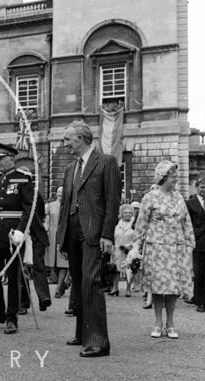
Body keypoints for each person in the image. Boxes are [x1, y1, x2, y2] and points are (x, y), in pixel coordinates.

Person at [58, 121, 121, 357]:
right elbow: (65, 205)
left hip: (93, 232)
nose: (65, 145)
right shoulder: (70, 169)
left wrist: (107, 233)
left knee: (91, 282)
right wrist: (62, 238)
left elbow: (112, 201)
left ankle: (98, 342)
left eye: (68, 139)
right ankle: (83, 333)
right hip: (72, 233)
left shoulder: (107, 162)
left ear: (82, 138)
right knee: (79, 282)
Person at [126, 162, 195, 339]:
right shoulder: (150, 197)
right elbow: (141, 224)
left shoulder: (179, 197)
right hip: (156, 248)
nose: (176, 180)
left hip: (175, 248)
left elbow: (186, 222)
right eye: (173, 177)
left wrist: (189, 245)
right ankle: (158, 323)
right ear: (163, 177)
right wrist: (136, 247)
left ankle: (170, 323)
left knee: (172, 288)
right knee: (157, 287)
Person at [0, 143, 35, 335]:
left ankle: (12, 317)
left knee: (13, 277)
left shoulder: (24, 179)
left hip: (14, 234)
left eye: (0, 159)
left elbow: (29, 208)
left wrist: (22, 231)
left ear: (11, 158)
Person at [186, 178, 205, 313]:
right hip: (198, 241)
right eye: (202, 187)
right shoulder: (190, 203)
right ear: (197, 188)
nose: (204, 190)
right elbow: (187, 223)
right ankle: (200, 301)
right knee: (199, 272)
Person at [109, 204, 135, 297]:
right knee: (116, 269)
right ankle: (115, 288)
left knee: (129, 269)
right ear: (122, 214)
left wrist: (128, 246)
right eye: (125, 213)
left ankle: (128, 289)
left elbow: (137, 238)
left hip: (129, 251)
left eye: (129, 213)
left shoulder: (134, 224)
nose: (127, 214)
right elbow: (113, 236)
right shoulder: (117, 224)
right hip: (117, 249)